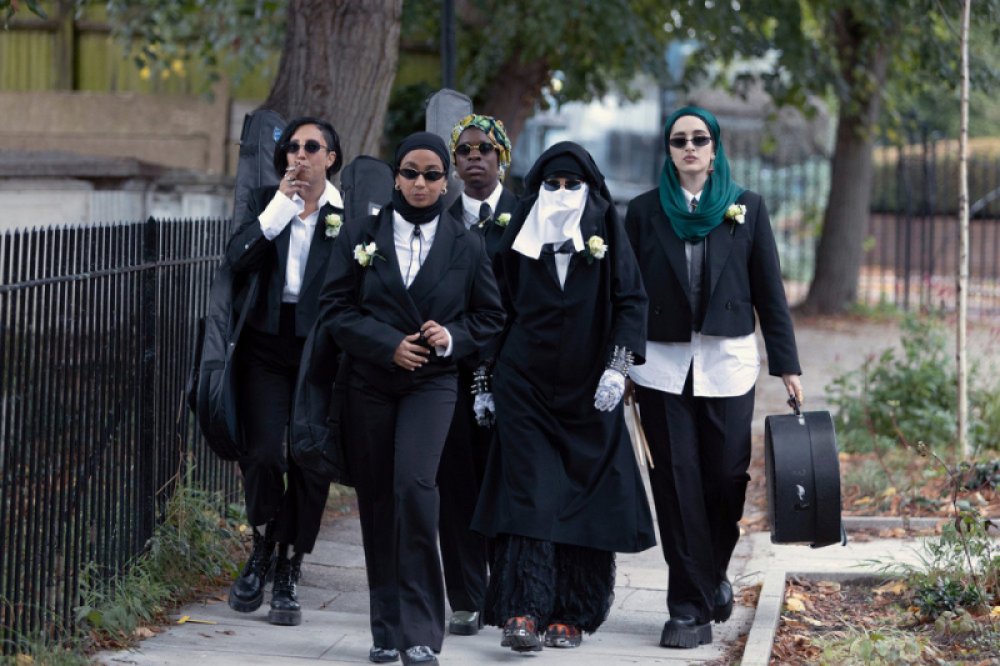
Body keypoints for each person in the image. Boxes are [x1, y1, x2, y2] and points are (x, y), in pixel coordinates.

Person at [318, 132, 504, 666]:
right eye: (410, 173)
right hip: (370, 384)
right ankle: (387, 628)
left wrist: (450, 338)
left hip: (432, 385)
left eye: (430, 175)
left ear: (446, 181)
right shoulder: (362, 233)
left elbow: (489, 317)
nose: (420, 184)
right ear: (396, 177)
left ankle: (423, 629)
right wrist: (386, 345)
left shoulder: (464, 243)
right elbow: (335, 309)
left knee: (416, 488)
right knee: (378, 500)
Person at [623, 105, 803, 649]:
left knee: (725, 479)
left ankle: (711, 574)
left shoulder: (747, 207)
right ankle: (687, 608)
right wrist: (624, 361)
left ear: (715, 147)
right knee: (674, 484)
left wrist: (787, 363)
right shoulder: (643, 211)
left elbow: (769, 290)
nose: (690, 147)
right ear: (669, 150)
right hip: (661, 365)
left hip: (728, 365)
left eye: (700, 138)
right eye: (679, 140)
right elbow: (628, 296)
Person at [470, 141, 656, 653]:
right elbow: (494, 308)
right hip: (524, 385)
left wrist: (618, 368)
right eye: (551, 184)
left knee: (582, 498)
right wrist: (484, 380)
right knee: (529, 492)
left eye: (573, 185)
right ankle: (522, 609)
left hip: (588, 389)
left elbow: (631, 300)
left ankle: (572, 612)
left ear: (591, 190)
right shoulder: (517, 237)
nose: (562, 193)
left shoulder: (606, 232)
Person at [224, 116, 345, 626]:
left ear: (330, 158)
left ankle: (291, 565)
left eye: (312, 147)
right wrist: (281, 207)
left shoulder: (349, 214)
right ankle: (263, 544)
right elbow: (236, 260)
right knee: (262, 450)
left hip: (321, 348)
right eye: (293, 147)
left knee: (311, 457)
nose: (301, 154)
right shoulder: (261, 203)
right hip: (267, 343)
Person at [436, 113, 517, 637]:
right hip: (453, 369)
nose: (474, 158)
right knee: (457, 483)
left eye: (485, 149)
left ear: (502, 157)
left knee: (510, 482)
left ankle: (510, 593)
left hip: (515, 373)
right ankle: (466, 596)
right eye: (464, 150)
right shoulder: (441, 219)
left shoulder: (527, 214)